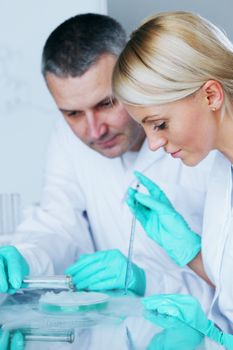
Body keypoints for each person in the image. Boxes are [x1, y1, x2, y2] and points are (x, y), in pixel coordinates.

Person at [0, 13, 213, 307]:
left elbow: (224, 285)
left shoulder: (202, 140)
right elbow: (59, 223)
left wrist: (146, 280)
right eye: (72, 113)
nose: (94, 130)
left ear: (132, 76)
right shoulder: (67, 138)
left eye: (106, 103)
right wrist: (26, 256)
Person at [112, 10, 233, 336]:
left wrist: (220, 337)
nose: (153, 144)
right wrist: (193, 252)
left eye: (160, 124)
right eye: (145, 128)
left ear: (211, 95)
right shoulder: (222, 168)